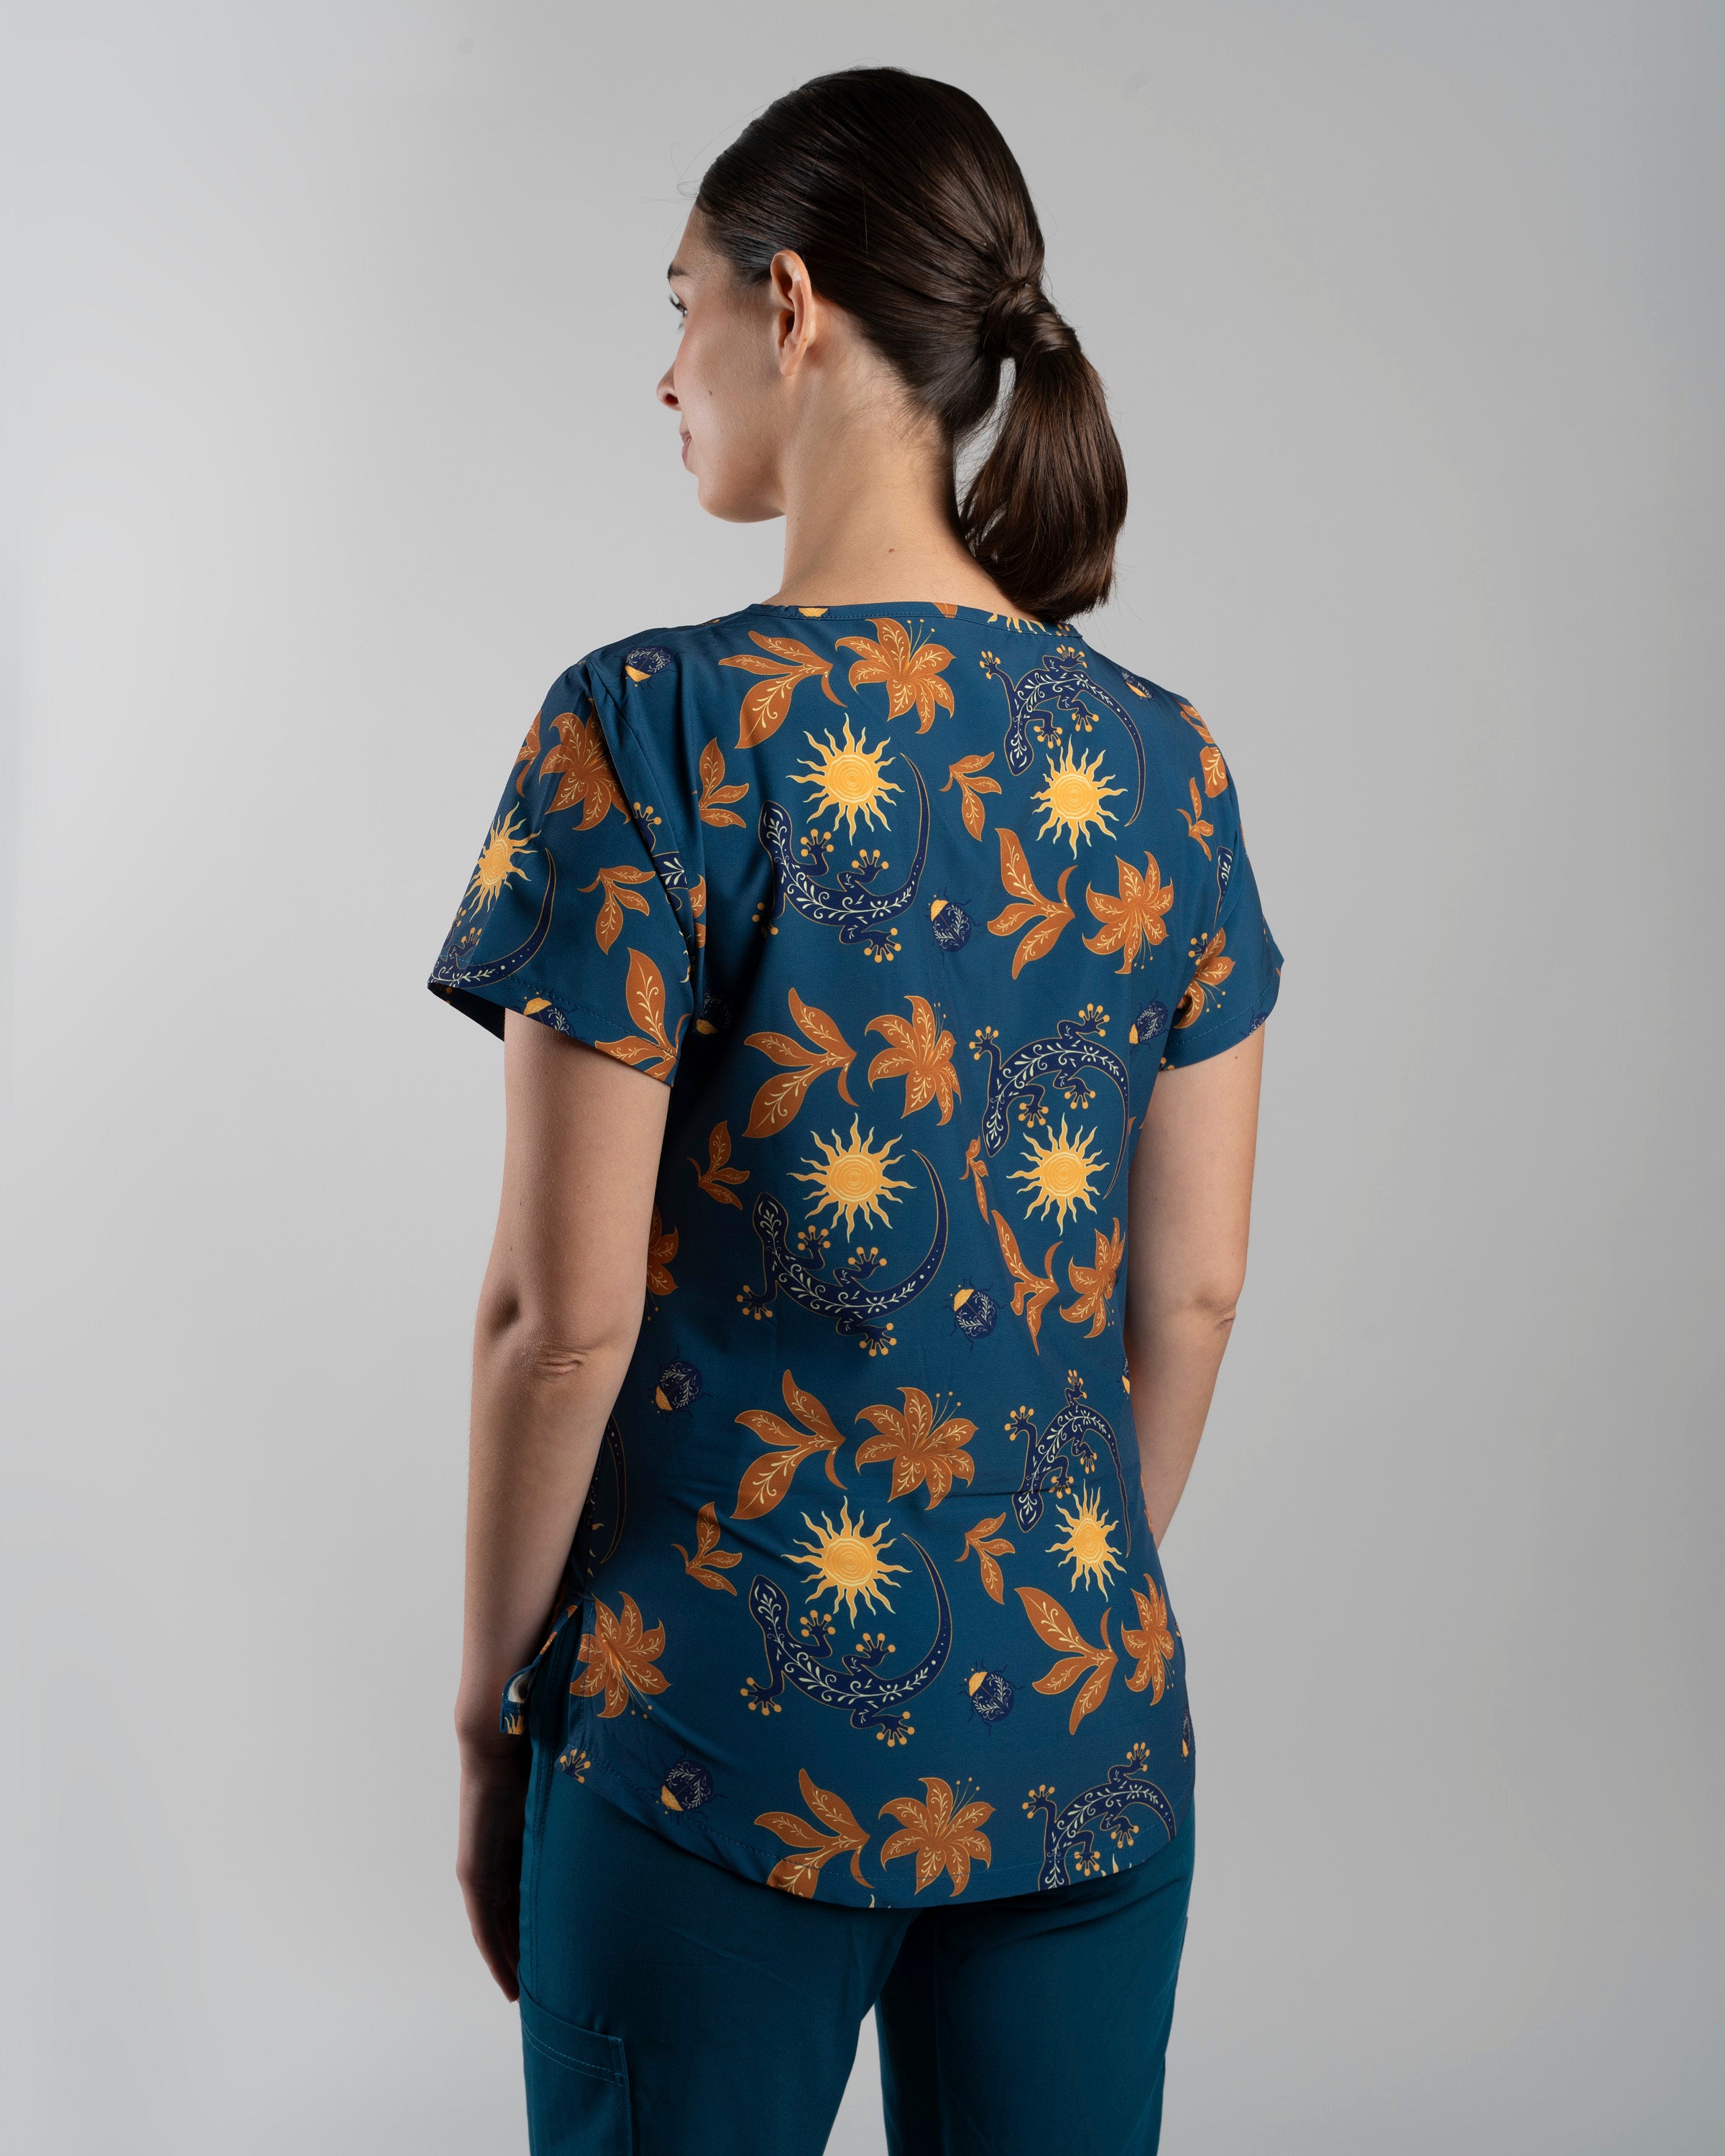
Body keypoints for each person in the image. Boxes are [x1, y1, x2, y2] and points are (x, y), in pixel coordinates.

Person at [430, 65, 1281, 2156]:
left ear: (790, 305)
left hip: (703, 1740)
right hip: (1081, 1742)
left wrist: (489, 1720)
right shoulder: (1166, 767)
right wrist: (1039, 1605)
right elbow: (1193, 1297)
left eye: (683, 306)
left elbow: (558, 1324)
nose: (667, 373)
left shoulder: (649, 729)